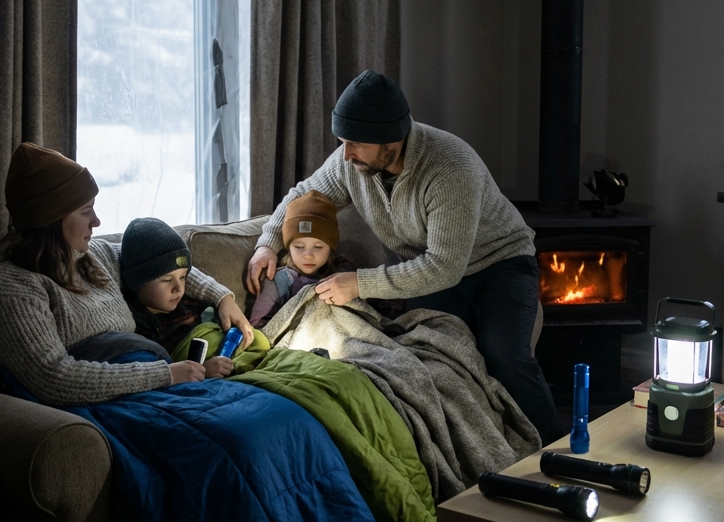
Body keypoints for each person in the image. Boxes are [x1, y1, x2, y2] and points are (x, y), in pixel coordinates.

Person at [245, 70, 564, 443]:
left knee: (504, 356)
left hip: (500, 265)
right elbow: (305, 196)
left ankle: (556, 452)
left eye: (355, 144)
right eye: (342, 141)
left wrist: (360, 283)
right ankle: (484, 452)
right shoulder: (352, 162)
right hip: (427, 269)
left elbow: (444, 265)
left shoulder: (450, 167)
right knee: (434, 361)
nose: (345, 155)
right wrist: (268, 242)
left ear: (391, 140)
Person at [0, 143, 252, 405]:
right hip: (113, 397)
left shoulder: (94, 256)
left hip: (152, 378)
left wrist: (222, 298)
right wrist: (167, 375)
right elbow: (54, 378)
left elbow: (159, 263)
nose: (97, 221)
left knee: (265, 410)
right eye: (86, 211)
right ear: (51, 220)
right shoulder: (9, 287)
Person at [119, 217, 236, 374]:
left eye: (183, 277)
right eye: (167, 280)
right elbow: (158, 372)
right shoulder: (136, 324)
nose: (179, 288)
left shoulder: (191, 304)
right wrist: (204, 371)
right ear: (137, 282)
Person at [247, 191, 357, 327]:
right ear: (289, 247)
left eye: (318, 247)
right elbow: (258, 324)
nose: (308, 255)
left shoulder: (344, 272)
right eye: (299, 247)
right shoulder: (280, 281)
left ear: (331, 248)